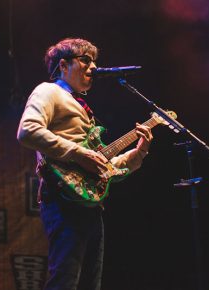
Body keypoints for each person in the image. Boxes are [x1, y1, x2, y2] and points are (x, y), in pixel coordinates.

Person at [17, 38, 153, 290]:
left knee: (91, 283)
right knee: (65, 280)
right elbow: (27, 130)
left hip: (90, 203)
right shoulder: (49, 91)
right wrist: (79, 154)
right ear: (63, 65)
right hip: (63, 199)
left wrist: (139, 151)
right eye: (85, 60)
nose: (93, 67)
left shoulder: (84, 108)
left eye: (95, 62)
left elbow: (106, 167)